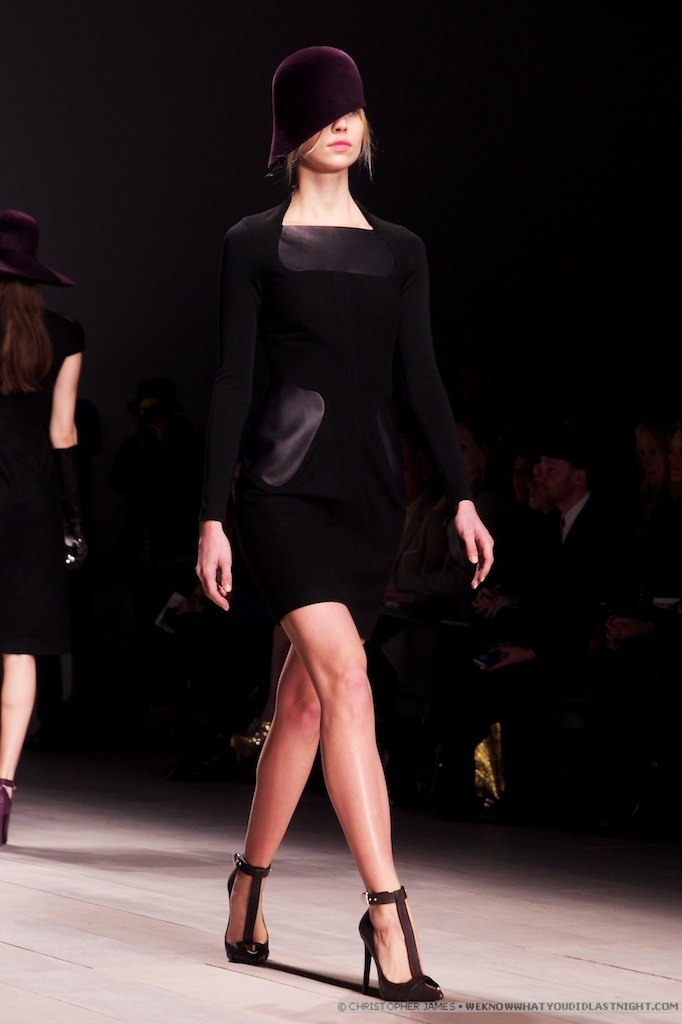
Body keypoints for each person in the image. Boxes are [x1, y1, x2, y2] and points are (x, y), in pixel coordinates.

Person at [195, 46, 494, 1002]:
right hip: (280, 495)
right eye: (322, 111)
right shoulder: (252, 242)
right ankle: (387, 910)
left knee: (306, 704)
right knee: (350, 681)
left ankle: (247, 887)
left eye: (352, 110)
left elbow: (423, 378)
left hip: (369, 499)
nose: (341, 124)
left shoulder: (401, 250)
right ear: (290, 130)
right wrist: (212, 516)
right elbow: (233, 381)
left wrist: (461, 494)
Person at [0, 209, 87, 845]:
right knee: (19, 647)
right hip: (32, 506)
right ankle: (1, 788)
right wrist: (75, 522)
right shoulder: (64, 334)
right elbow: (63, 433)